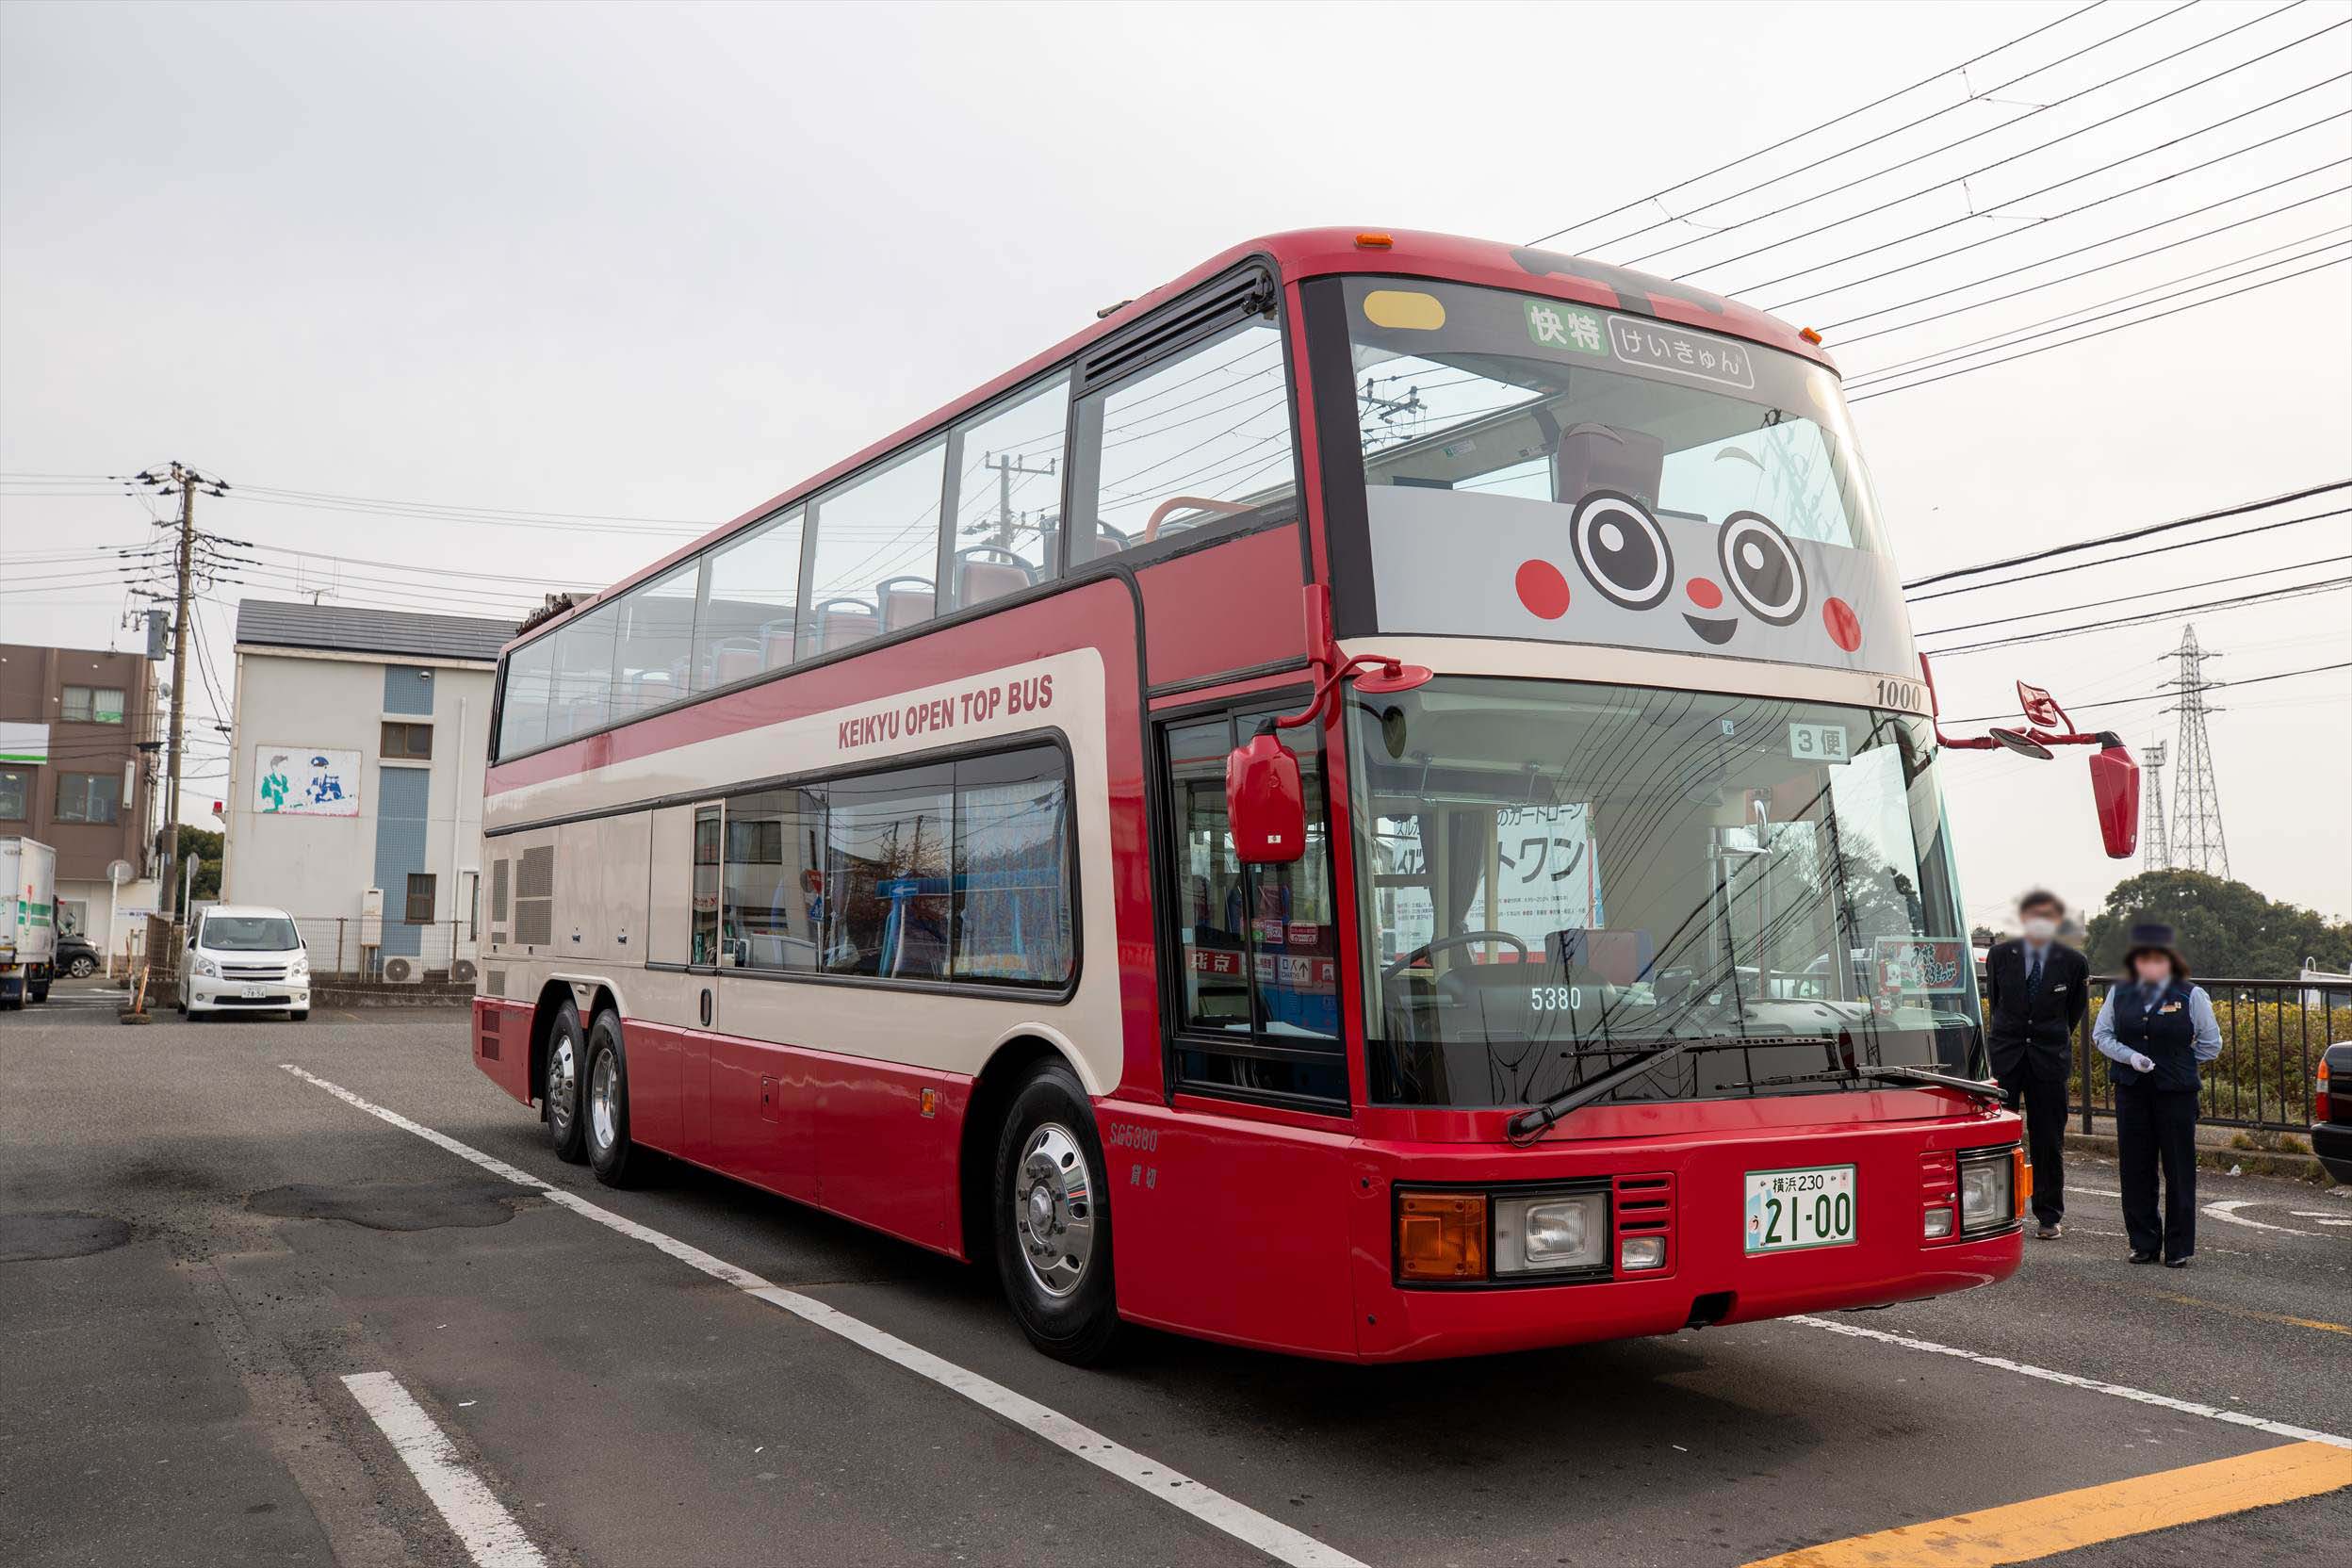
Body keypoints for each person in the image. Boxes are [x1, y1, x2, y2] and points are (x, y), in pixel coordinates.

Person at [2093, 920, 2222, 1267]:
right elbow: (2102, 1035)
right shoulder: (2120, 992)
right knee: (2135, 1167)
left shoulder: (2191, 994)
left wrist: (2177, 1062)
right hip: (2132, 1089)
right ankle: (2143, 1241)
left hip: (2175, 1092)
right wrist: (2129, 1057)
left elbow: (2211, 1044)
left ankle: (2178, 1247)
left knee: (2179, 1168)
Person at [1983, 890, 2089, 1238]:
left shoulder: (2073, 962)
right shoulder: (2000, 955)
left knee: (2048, 1140)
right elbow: (1996, 1001)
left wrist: (2047, 1037)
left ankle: (2048, 1215)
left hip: (2049, 1059)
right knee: (1997, 1138)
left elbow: (2073, 1012)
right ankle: (1996, 1214)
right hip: (2007, 1057)